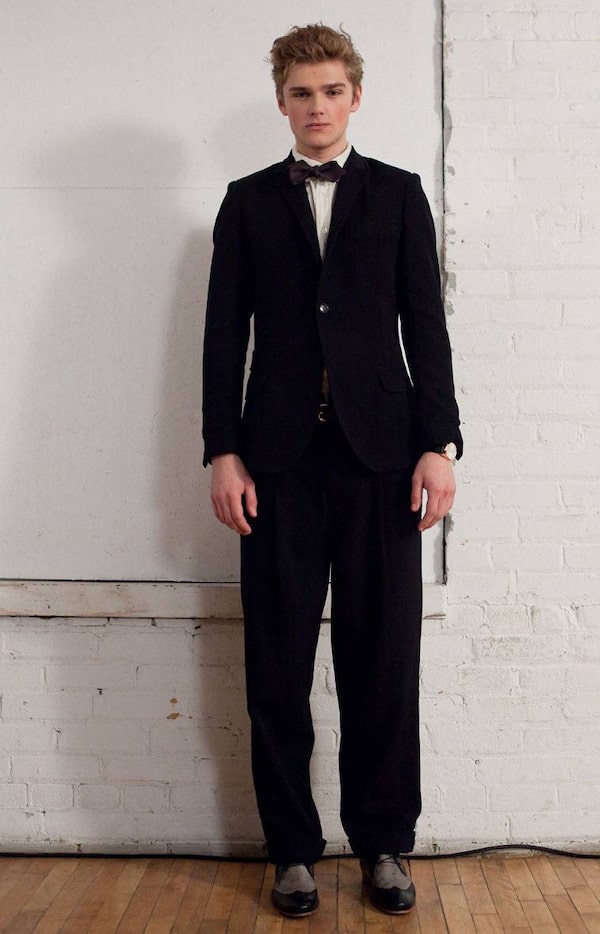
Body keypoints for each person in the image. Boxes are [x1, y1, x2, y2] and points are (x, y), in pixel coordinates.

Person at [202, 23, 462, 918]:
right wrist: (223, 450)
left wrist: (439, 444)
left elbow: (426, 326)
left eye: (332, 91)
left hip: (382, 460)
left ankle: (384, 843)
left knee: (382, 660)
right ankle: (292, 851)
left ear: (356, 96)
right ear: (281, 101)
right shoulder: (245, 202)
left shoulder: (398, 194)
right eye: (302, 93)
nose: (317, 107)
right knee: (276, 662)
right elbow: (221, 337)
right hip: (275, 464)